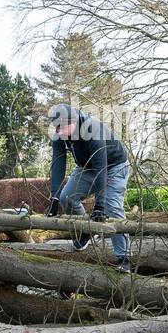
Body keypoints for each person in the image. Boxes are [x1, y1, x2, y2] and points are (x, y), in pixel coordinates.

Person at [45, 103, 131, 272]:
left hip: (113, 166)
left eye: (62, 128)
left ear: (74, 122)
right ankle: (87, 230)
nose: (58, 132)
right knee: (66, 197)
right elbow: (58, 162)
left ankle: (124, 257)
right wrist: (54, 196)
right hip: (86, 167)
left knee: (111, 207)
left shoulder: (92, 129)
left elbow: (101, 167)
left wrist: (99, 204)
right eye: (56, 127)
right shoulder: (58, 133)